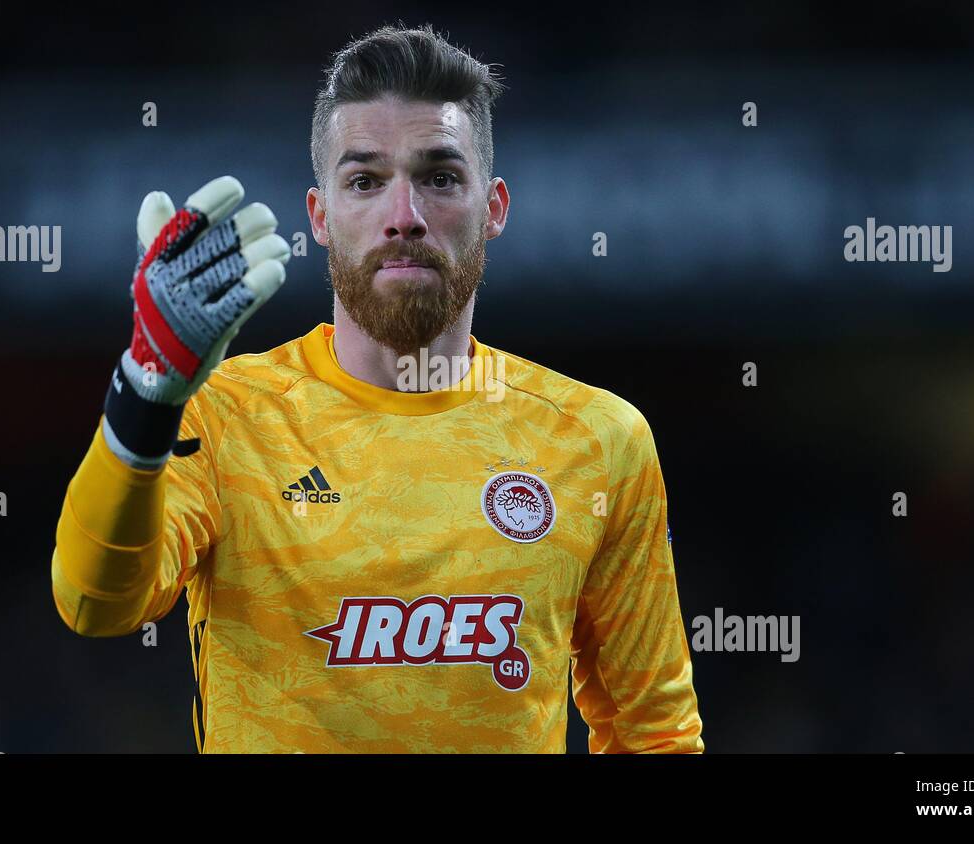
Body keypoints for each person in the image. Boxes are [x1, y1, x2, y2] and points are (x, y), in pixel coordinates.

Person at [50, 24, 703, 754]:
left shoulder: (600, 439)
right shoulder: (227, 415)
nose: (404, 217)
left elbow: (655, 734)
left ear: (493, 207)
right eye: (365, 180)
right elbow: (94, 602)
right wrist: (144, 398)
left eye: (439, 177)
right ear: (319, 216)